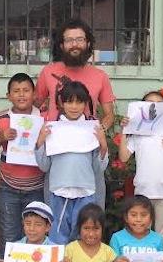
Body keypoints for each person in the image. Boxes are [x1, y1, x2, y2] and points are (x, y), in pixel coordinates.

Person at [0, 18, 117, 209]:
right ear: (62, 45)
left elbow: (109, 114)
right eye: (69, 40)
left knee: (91, 211)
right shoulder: (48, 72)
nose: (74, 44)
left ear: (88, 43)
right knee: (54, 208)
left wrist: (99, 132)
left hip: (88, 153)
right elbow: (32, 104)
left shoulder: (100, 76)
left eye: (80, 39)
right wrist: (3, 114)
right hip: (56, 152)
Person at [0, 73, 45, 262]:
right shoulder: (2, 120)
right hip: (8, 187)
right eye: (16, 91)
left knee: (34, 232)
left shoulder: (43, 118)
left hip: (36, 186)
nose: (21, 95)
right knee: (9, 231)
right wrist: (2, 137)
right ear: (8, 95)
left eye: (26, 90)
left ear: (34, 94)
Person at [35, 80, 109, 244]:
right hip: (58, 191)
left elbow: (98, 168)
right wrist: (40, 141)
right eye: (69, 101)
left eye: (79, 102)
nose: (74, 107)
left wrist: (103, 145)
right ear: (61, 103)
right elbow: (44, 166)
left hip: (85, 191)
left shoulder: (93, 129)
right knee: (57, 236)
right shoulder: (52, 129)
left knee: (84, 236)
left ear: (85, 103)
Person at [118, 92, 163, 238]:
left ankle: (161, 254)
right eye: (149, 103)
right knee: (142, 233)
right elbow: (124, 157)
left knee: (162, 235)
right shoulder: (138, 134)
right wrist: (125, 131)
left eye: (158, 104)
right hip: (143, 190)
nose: (153, 106)